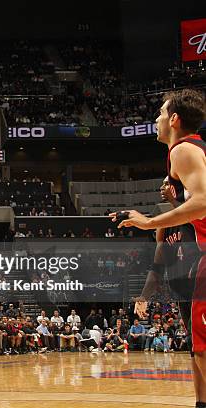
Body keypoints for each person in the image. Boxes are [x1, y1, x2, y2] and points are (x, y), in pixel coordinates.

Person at [112, 89, 205, 407]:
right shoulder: (184, 154)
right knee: (199, 347)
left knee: (202, 348)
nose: (156, 119)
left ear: (175, 119)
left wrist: (147, 222)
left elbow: (203, 202)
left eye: (161, 113)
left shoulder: (184, 150)